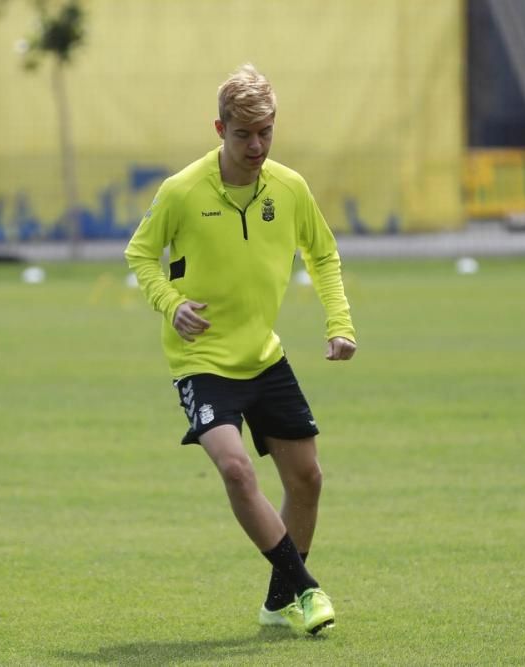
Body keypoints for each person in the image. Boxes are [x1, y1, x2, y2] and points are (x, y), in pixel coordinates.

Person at [124, 63, 357, 636]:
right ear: (218, 129)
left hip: (264, 357)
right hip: (201, 362)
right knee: (235, 469)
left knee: (308, 479)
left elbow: (322, 255)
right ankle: (305, 588)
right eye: (242, 135)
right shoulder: (181, 190)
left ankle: (278, 604)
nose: (256, 146)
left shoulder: (290, 187)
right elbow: (139, 254)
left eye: (265, 133)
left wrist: (339, 323)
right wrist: (170, 301)